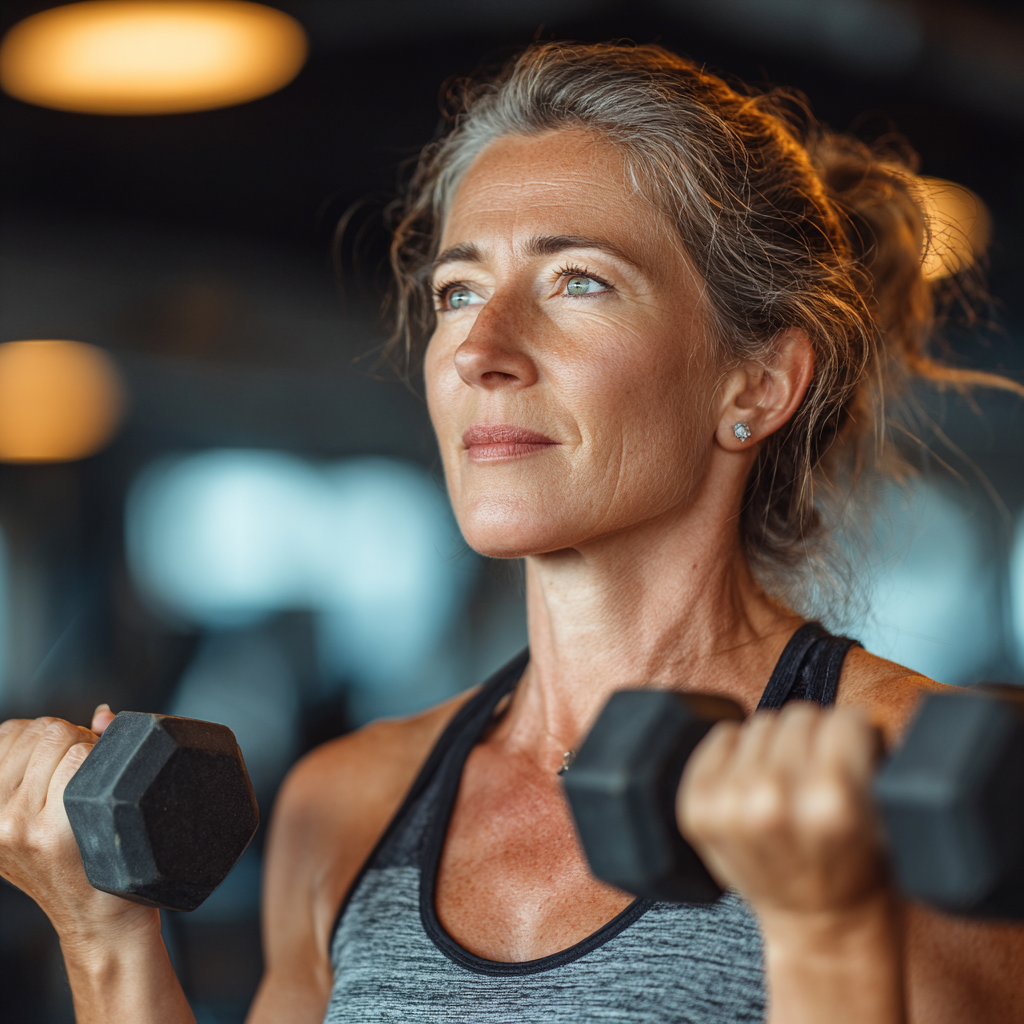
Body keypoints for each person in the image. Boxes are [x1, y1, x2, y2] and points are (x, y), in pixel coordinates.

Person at [1, 41, 1022, 1024]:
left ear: (754, 384)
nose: (480, 349)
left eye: (579, 280)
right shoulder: (347, 801)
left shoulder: (912, 783)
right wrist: (104, 935)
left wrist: (825, 928)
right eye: (458, 292)